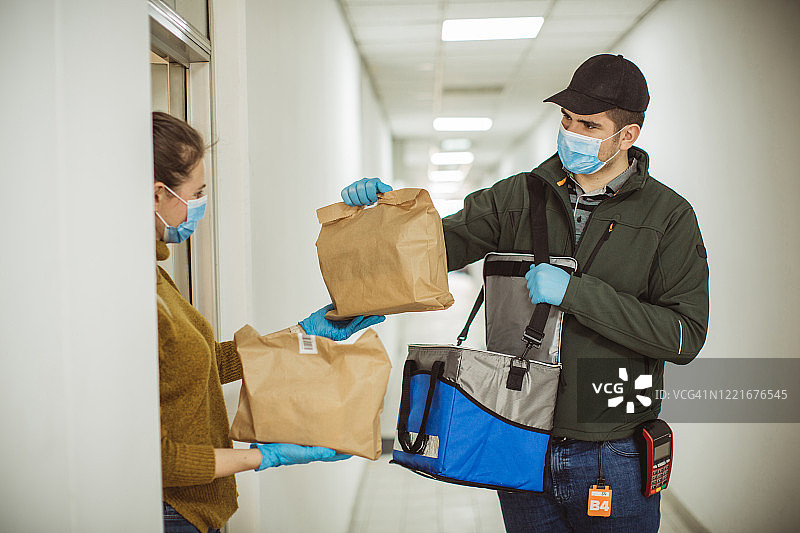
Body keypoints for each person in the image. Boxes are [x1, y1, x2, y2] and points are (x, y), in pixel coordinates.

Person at [341, 54, 709, 532]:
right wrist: (387, 215)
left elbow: (684, 336)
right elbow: (438, 248)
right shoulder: (520, 196)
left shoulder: (668, 217)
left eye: (589, 124)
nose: (572, 132)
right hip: (517, 435)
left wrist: (576, 293)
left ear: (628, 136)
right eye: (567, 119)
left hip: (612, 453)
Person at [152, 111, 384, 533]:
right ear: (158, 195)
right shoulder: (124, 294)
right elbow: (153, 458)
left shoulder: (153, 275)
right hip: (169, 511)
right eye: (197, 192)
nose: (202, 204)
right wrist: (266, 456)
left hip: (195, 510)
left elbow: (202, 366)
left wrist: (304, 332)